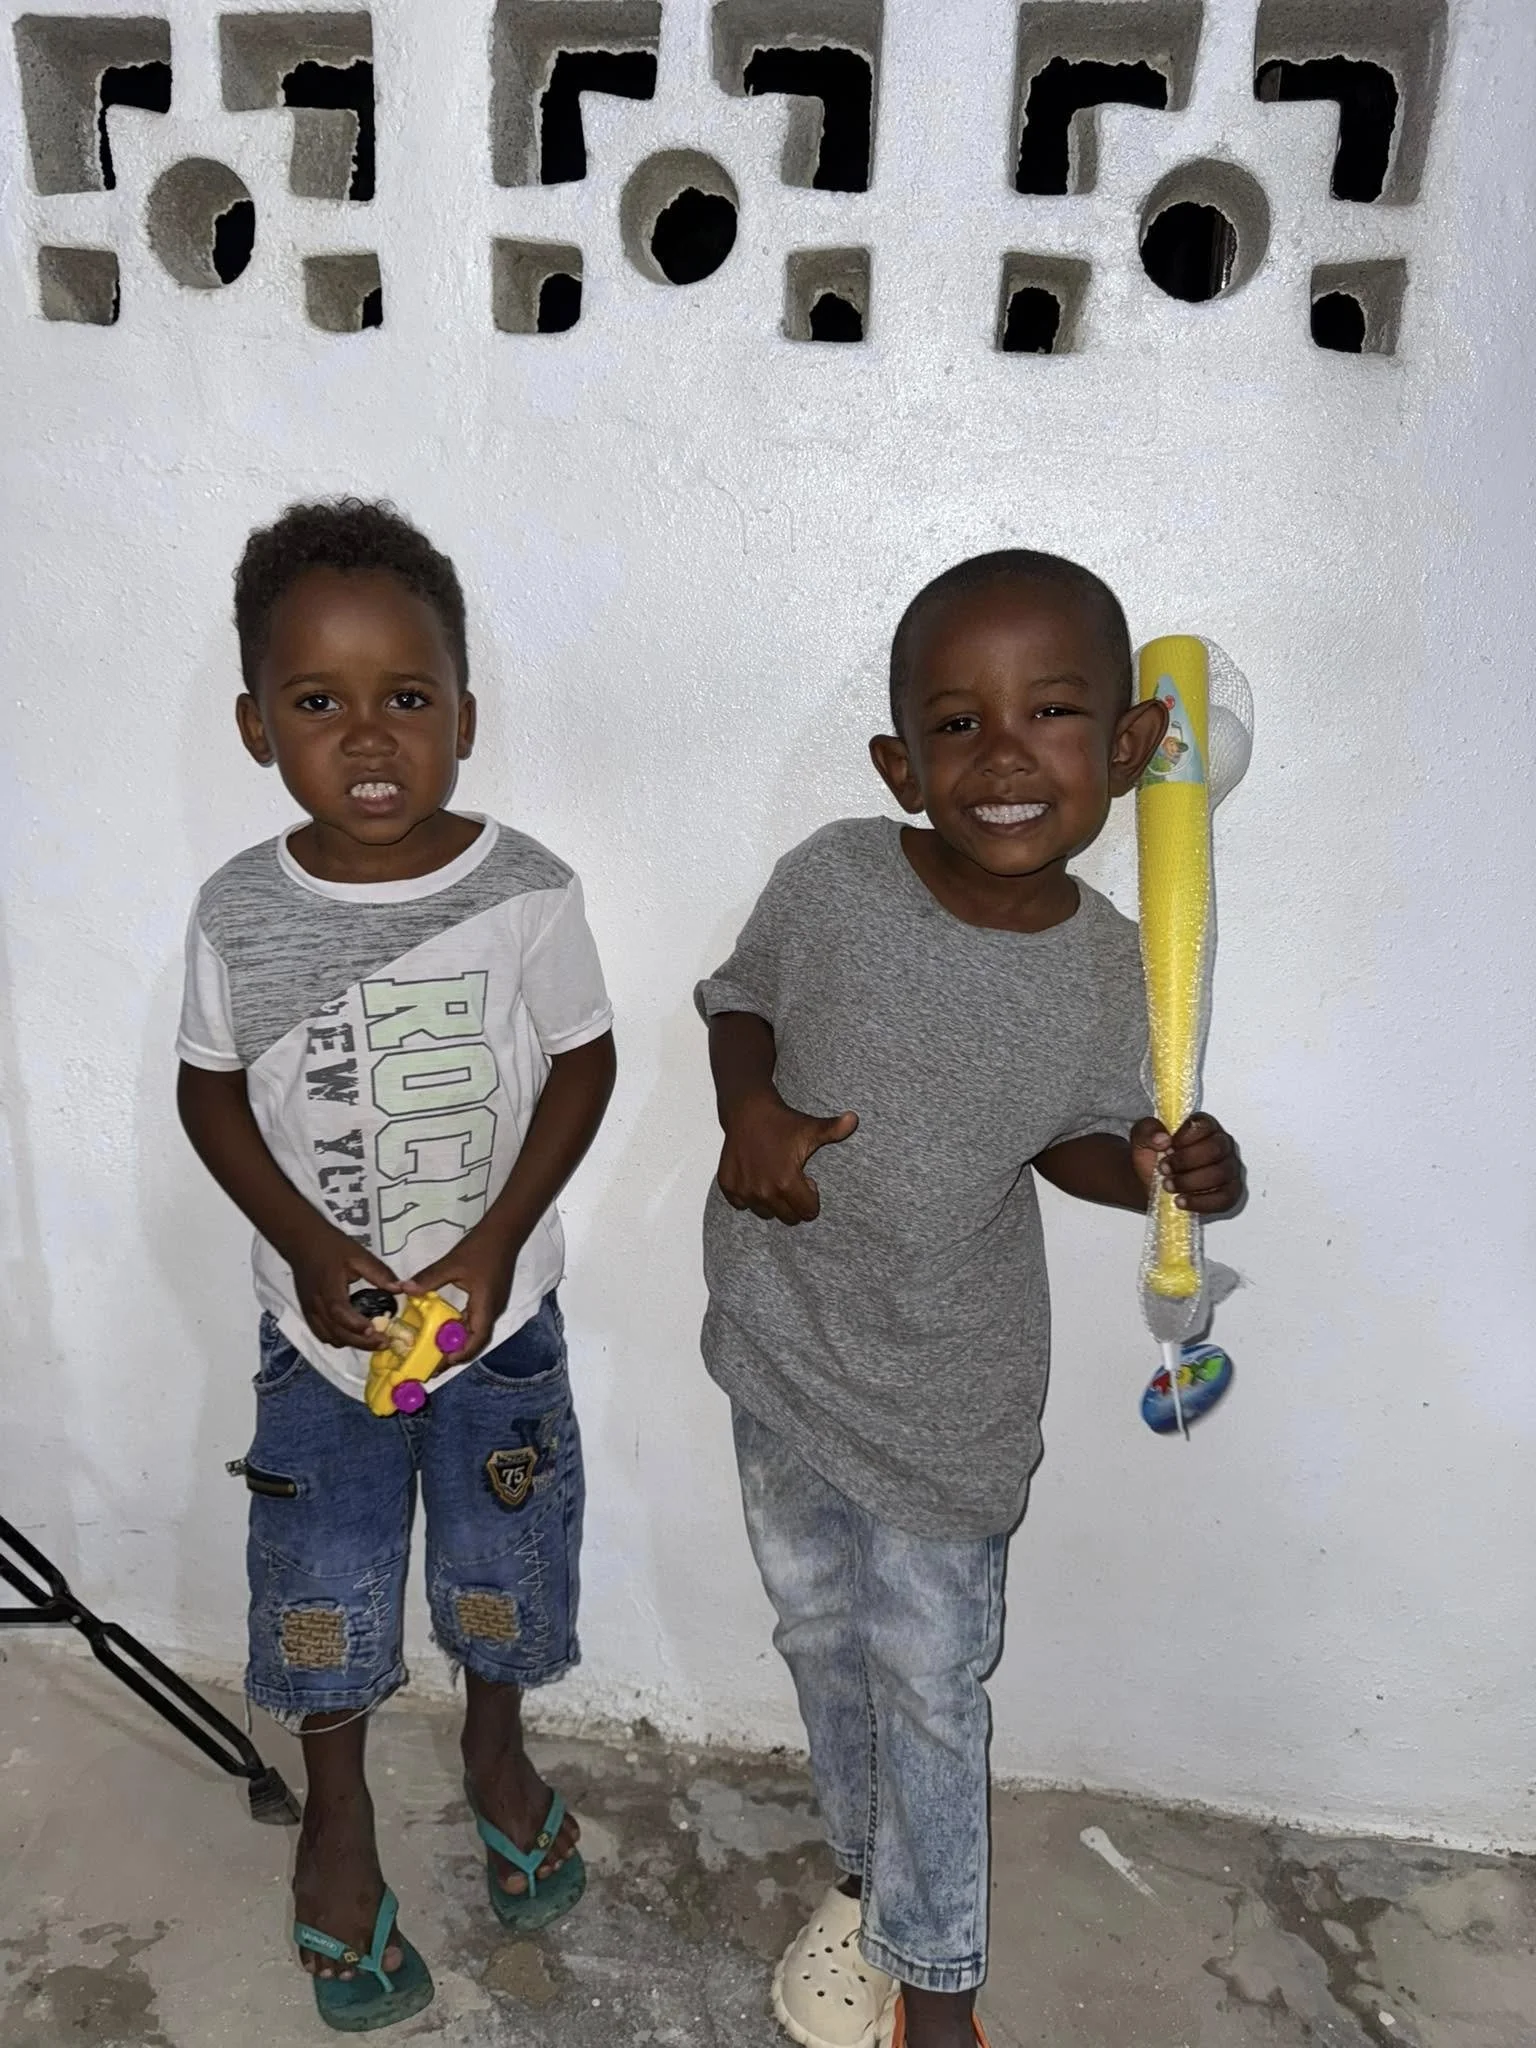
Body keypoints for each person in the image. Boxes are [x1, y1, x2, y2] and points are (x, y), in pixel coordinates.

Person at [697, 551, 1245, 2048]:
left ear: (1131, 750)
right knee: (818, 1638)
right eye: (958, 724)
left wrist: (1168, 1172)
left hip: (948, 1389)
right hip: (782, 1345)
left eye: (1054, 712)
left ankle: (938, 1982)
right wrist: (749, 1111)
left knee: (933, 1686)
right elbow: (740, 997)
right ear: (901, 761)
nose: (1004, 755)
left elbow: (1073, 1142)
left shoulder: (1115, 972)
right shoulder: (831, 877)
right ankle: (871, 1879)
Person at [176, 499, 616, 2031]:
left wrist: (495, 1244)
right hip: (320, 1349)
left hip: (502, 1331)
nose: (368, 738)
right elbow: (210, 1089)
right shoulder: (241, 909)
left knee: (505, 1572)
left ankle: (498, 1751)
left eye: (407, 699)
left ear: (465, 719)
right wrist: (305, 1249)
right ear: (256, 726)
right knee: (324, 1590)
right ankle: (340, 1824)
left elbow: (582, 1061)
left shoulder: (525, 888)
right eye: (318, 704)